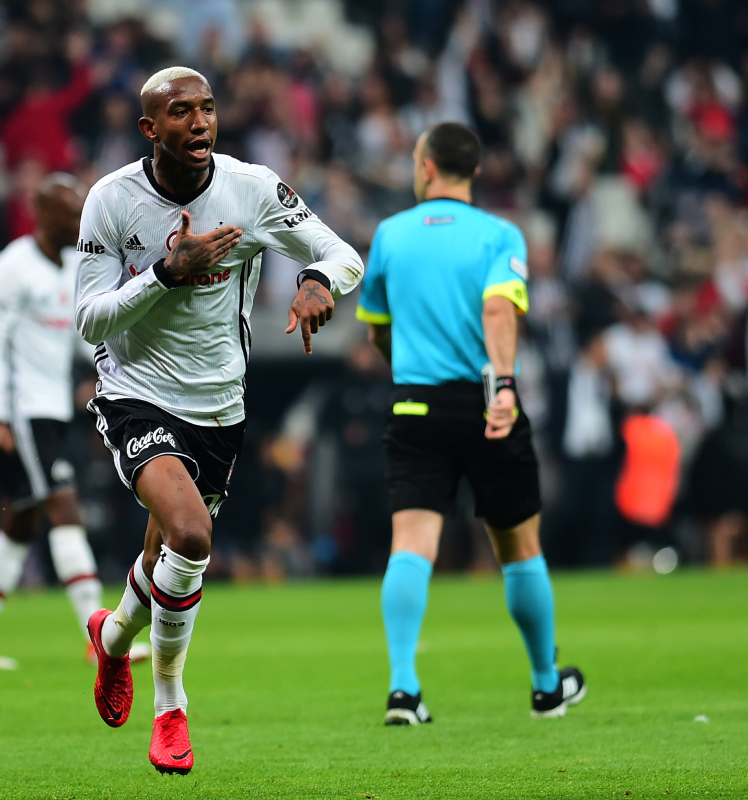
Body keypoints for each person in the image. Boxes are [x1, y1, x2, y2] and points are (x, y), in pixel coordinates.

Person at [75, 66, 363, 774]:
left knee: (161, 560)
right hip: (136, 393)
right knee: (191, 535)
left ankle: (111, 642)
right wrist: (165, 273)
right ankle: (170, 708)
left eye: (207, 108)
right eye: (181, 111)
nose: (200, 121)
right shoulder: (111, 200)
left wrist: (316, 280)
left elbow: (343, 254)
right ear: (150, 128)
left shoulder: (252, 188)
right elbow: (90, 320)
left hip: (219, 406)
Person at [355, 122, 585, 725]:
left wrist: (409, 368)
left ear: (426, 166)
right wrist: (503, 384)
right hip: (486, 404)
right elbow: (498, 309)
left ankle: (403, 690)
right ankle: (545, 686)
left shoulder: (390, 234)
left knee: (411, 545)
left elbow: (378, 330)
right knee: (519, 549)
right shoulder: (499, 234)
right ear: (474, 171)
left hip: (414, 405)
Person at [0, 174, 149, 669]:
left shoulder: (70, 270)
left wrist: (113, 372)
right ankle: (97, 635)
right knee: (64, 507)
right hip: (21, 412)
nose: (79, 225)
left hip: (55, 409)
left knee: (20, 522)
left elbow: (80, 340)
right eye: (70, 215)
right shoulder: (14, 267)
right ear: (44, 216)